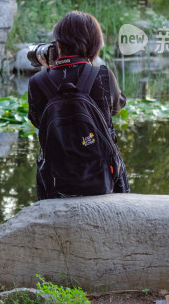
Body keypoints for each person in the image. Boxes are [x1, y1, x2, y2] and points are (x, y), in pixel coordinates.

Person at [27, 10, 129, 199]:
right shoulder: (102, 76)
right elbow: (117, 106)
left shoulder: (37, 83)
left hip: (56, 185)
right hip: (103, 183)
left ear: (58, 45)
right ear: (94, 45)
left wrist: (48, 72)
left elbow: (37, 120)